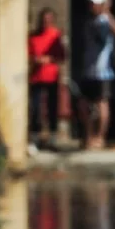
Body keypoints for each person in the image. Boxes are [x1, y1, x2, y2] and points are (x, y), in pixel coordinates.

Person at [76, 0, 115, 148]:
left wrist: (107, 12)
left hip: (102, 71)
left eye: (95, 4)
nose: (91, 6)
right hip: (87, 71)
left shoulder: (104, 21)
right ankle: (89, 136)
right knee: (85, 105)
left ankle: (100, 137)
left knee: (101, 104)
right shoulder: (89, 21)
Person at [27, 8, 66, 152]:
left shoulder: (56, 35)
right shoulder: (33, 36)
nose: (46, 23)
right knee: (35, 109)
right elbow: (28, 54)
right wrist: (34, 60)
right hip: (36, 78)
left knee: (52, 108)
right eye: (44, 20)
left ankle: (52, 140)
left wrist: (48, 59)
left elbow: (62, 56)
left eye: (49, 20)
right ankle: (35, 139)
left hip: (51, 77)